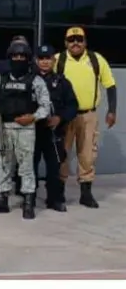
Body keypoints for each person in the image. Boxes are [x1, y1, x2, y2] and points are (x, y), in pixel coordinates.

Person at [0, 41, 52, 219]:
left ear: (28, 59)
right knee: (3, 165)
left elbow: (46, 106)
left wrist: (33, 117)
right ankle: (2, 200)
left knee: (26, 166)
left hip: (25, 129)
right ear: (10, 58)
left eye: (22, 56)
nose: (18, 59)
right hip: (3, 128)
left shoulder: (35, 81)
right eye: (15, 56)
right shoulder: (1, 79)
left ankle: (28, 202)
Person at [54, 26, 116, 208]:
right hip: (64, 116)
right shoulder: (58, 60)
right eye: (71, 40)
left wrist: (112, 110)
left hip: (88, 115)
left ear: (85, 42)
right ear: (65, 42)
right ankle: (59, 192)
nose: (75, 43)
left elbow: (110, 85)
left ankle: (86, 194)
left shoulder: (96, 60)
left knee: (87, 155)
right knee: (61, 153)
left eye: (79, 39)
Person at [33, 44, 78, 212]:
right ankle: (28, 198)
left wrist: (60, 118)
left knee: (54, 168)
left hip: (53, 133)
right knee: (29, 167)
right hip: (32, 131)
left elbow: (72, 106)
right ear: (36, 60)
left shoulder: (62, 82)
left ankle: (55, 199)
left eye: (48, 58)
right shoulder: (29, 80)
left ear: (53, 60)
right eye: (41, 58)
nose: (45, 62)